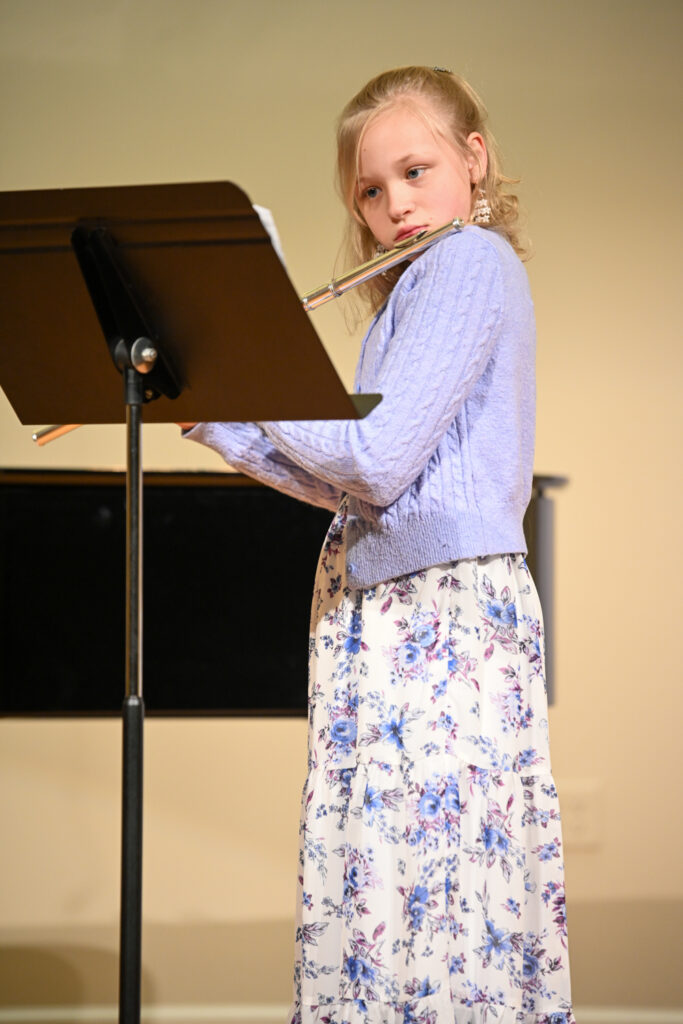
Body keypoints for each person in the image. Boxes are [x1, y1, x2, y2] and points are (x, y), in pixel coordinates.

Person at [182, 65, 573, 1024]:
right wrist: (215, 418)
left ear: (473, 159)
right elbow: (350, 488)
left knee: (441, 901)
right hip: (387, 612)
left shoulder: (466, 262)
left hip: (442, 618)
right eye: (369, 189)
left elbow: (376, 456)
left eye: (414, 171)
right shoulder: (410, 295)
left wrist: (247, 353)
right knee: (388, 894)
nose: (394, 205)